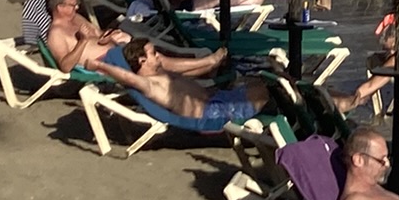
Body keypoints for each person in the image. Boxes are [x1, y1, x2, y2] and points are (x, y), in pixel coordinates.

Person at [86, 38, 269, 129]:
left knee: (260, 82)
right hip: (211, 115)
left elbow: (186, 74)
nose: (158, 55)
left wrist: (211, 64)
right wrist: (100, 65)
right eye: (153, 53)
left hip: (217, 99)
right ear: (142, 61)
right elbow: (127, 77)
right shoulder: (149, 85)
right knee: (266, 92)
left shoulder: (161, 73)